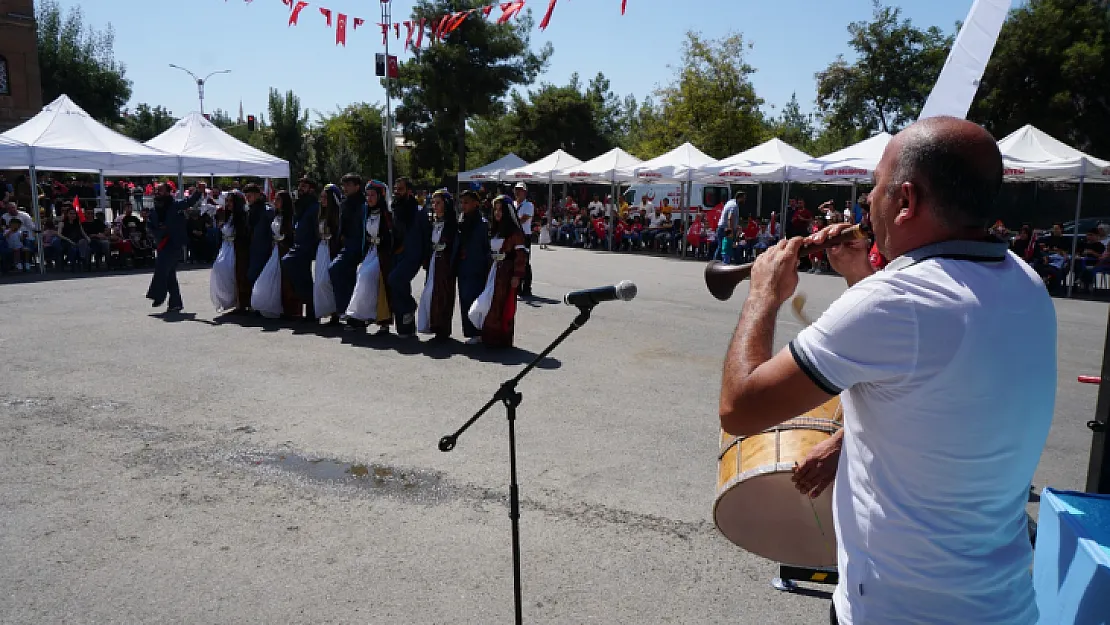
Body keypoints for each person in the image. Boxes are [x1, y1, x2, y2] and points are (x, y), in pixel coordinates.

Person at [718, 117, 1055, 625]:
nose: (866, 202)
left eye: (875, 186)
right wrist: (858, 274)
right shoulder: (1025, 285)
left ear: (906, 201)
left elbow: (740, 407)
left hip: (896, 610)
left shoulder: (896, 303)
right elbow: (926, 391)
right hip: (1002, 605)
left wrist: (763, 292)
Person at [469, 195, 528, 348]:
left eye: (500, 210)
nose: (497, 213)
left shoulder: (515, 233)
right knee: (487, 303)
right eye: (495, 210)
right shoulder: (494, 230)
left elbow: (521, 256)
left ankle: (500, 340)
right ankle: (488, 336)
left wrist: (517, 275)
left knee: (500, 305)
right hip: (492, 271)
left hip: (506, 273)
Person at [346, 181, 395, 331]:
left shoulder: (387, 214)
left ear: (380, 196)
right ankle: (360, 316)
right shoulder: (366, 212)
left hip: (383, 255)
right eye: (367, 195)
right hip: (371, 252)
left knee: (371, 279)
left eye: (373, 195)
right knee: (361, 275)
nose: (369, 198)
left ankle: (383, 322)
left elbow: (393, 236)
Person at [146, 183, 203, 311]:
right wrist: (158, 231)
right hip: (161, 243)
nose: (157, 192)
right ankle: (176, 302)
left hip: (174, 243)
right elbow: (150, 226)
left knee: (161, 269)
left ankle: (159, 295)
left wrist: (199, 191)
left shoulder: (175, 205)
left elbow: (190, 201)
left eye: (160, 190)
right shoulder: (154, 209)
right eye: (156, 190)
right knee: (170, 274)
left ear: (168, 192)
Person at [418, 189, 459, 339]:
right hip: (434, 262)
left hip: (445, 264)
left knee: (443, 296)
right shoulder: (433, 222)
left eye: (438, 203)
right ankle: (432, 325)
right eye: (433, 203)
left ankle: (442, 329)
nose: (435, 206)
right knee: (429, 294)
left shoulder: (452, 224)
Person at [386, 177, 426, 337]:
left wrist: (425, 257)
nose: (396, 192)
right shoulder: (395, 208)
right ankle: (406, 329)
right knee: (399, 287)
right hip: (396, 253)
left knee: (394, 280)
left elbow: (424, 234)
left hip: (412, 254)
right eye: (395, 189)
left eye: (400, 189)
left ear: (409, 191)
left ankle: (410, 306)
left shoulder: (417, 211)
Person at [329, 174, 368, 320]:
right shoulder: (346, 203)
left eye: (348, 185)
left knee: (336, 269)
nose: (345, 188)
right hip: (346, 244)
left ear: (357, 186)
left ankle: (346, 308)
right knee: (346, 276)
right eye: (344, 185)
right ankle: (349, 311)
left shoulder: (362, 204)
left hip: (357, 244)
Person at [281, 178, 320, 319]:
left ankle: (311, 310)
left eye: (304, 185)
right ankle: (307, 309)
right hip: (298, 244)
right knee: (301, 277)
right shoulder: (300, 204)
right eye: (300, 185)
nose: (301, 188)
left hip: (307, 246)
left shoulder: (314, 206)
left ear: (311, 189)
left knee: (303, 276)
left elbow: (316, 228)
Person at [455, 190, 490, 345]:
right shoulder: (461, 220)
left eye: (467, 202)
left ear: (476, 203)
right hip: (463, 265)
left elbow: (486, 247)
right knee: (464, 298)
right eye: (462, 202)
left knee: (474, 299)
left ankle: (478, 332)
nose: (464, 205)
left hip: (477, 266)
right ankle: (470, 331)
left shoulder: (482, 223)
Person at [250, 191, 288, 319]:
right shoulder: (275, 214)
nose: (275, 201)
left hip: (283, 249)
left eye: (278, 199)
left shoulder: (286, 216)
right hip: (275, 248)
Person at [313, 184, 343, 324]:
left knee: (327, 281)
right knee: (319, 282)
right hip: (322, 249)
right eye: (322, 197)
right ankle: (327, 311)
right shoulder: (321, 214)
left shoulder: (337, 215)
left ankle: (335, 312)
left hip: (331, 249)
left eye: (326, 197)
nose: (322, 200)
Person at [245, 184, 275, 300]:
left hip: (264, 248)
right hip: (253, 247)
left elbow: (272, 230)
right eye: (246, 196)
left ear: (257, 195)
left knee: (260, 275)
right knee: (252, 276)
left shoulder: (267, 210)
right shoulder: (251, 210)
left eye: (250, 196)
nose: (248, 198)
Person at [513, 182, 535, 297]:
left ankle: (527, 288)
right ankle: (517, 287)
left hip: (524, 236)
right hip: (514, 236)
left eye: (520, 190)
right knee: (515, 261)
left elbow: (523, 219)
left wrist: (510, 222)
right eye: (516, 189)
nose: (517, 192)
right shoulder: (512, 204)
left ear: (525, 192)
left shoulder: (528, 205)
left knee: (525, 262)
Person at [714, 191, 744, 261]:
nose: (744, 200)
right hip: (725, 229)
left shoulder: (730, 202)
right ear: (739, 198)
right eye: (743, 198)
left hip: (722, 227)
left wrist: (736, 226)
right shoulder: (734, 206)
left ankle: (716, 262)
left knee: (722, 246)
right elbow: (730, 218)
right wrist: (731, 231)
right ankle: (716, 262)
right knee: (724, 246)